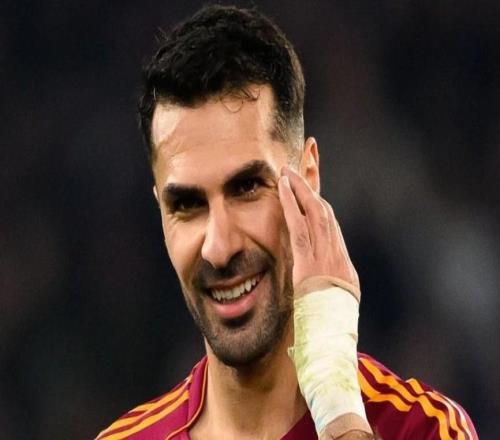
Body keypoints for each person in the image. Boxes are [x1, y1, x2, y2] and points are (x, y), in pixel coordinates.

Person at [95, 5, 477, 440]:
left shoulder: (423, 428)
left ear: (308, 178)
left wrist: (336, 407)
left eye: (247, 187)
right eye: (187, 204)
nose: (219, 247)